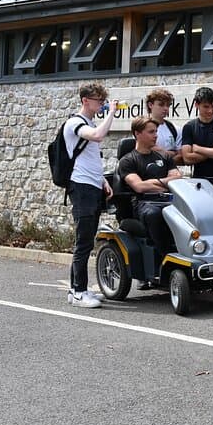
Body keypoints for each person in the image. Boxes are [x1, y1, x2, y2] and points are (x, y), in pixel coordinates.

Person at [65, 83, 120, 309]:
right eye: (98, 100)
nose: (101, 104)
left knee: (86, 241)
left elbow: (90, 159)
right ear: (85, 100)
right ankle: (78, 292)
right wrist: (113, 113)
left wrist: (103, 181)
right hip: (81, 188)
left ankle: (77, 289)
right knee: (83, 242)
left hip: (92, 186)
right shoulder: (75, 123)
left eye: (103, 100)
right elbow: (97, 136)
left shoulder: (89, 122)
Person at [117, 117, 183, 254]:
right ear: (137, 134)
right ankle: (162, 255)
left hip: (168, 199)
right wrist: (166, 182)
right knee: (155, 213)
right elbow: (139, 187)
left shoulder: (164, 157)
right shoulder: (127, 161)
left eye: (156, 131)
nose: (156, 135)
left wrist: (154, 182)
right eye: (151, 132)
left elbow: (177, 178)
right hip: (144, 202)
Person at [180, 87, 213, 196]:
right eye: (206, 106)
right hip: (199, 184)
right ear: (196, 105)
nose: (210, 110)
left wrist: (198, 149)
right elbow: (186, 158)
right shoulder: (189, 127)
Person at [146, 88, 182, 165]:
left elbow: (180, 156)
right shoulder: (141, 127)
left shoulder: (175, 129)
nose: (165, 108)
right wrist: (171, 153)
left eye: (168, 105)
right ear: (150, 105)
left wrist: (159, 153)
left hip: (170, 173)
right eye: (161, 104)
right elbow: (145, 151)